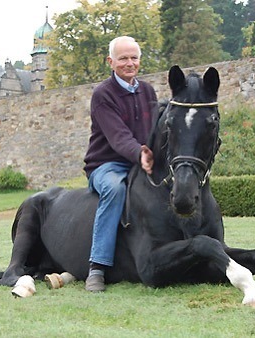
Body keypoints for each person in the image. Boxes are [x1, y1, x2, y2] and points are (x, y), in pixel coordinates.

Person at [83, 36, 157, 292]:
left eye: (134, 58)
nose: (129, 63)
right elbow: (118, 138)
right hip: (106, 165)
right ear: (110, 62)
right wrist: (140, 154)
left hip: (140, 161)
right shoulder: (102, 94)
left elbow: (155, 131)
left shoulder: (147, 91)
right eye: (123, 58)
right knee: (114, 189)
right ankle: (97, 268)